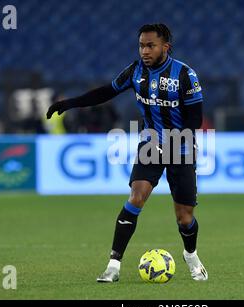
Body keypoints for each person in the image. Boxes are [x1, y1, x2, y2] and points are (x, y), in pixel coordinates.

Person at [46, 23, 208, 282]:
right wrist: (70, 103)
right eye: (141, 45)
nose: (144, 50)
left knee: (184, 217)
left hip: (182, 148)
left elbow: (195, 120)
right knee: (136, 198)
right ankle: (113, 266)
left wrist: (173, 145)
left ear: (165, 47)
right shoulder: (135, 71)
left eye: (150, 45)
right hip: (150, 145)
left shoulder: (185, 75)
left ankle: (191, 256)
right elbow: (106, 92)